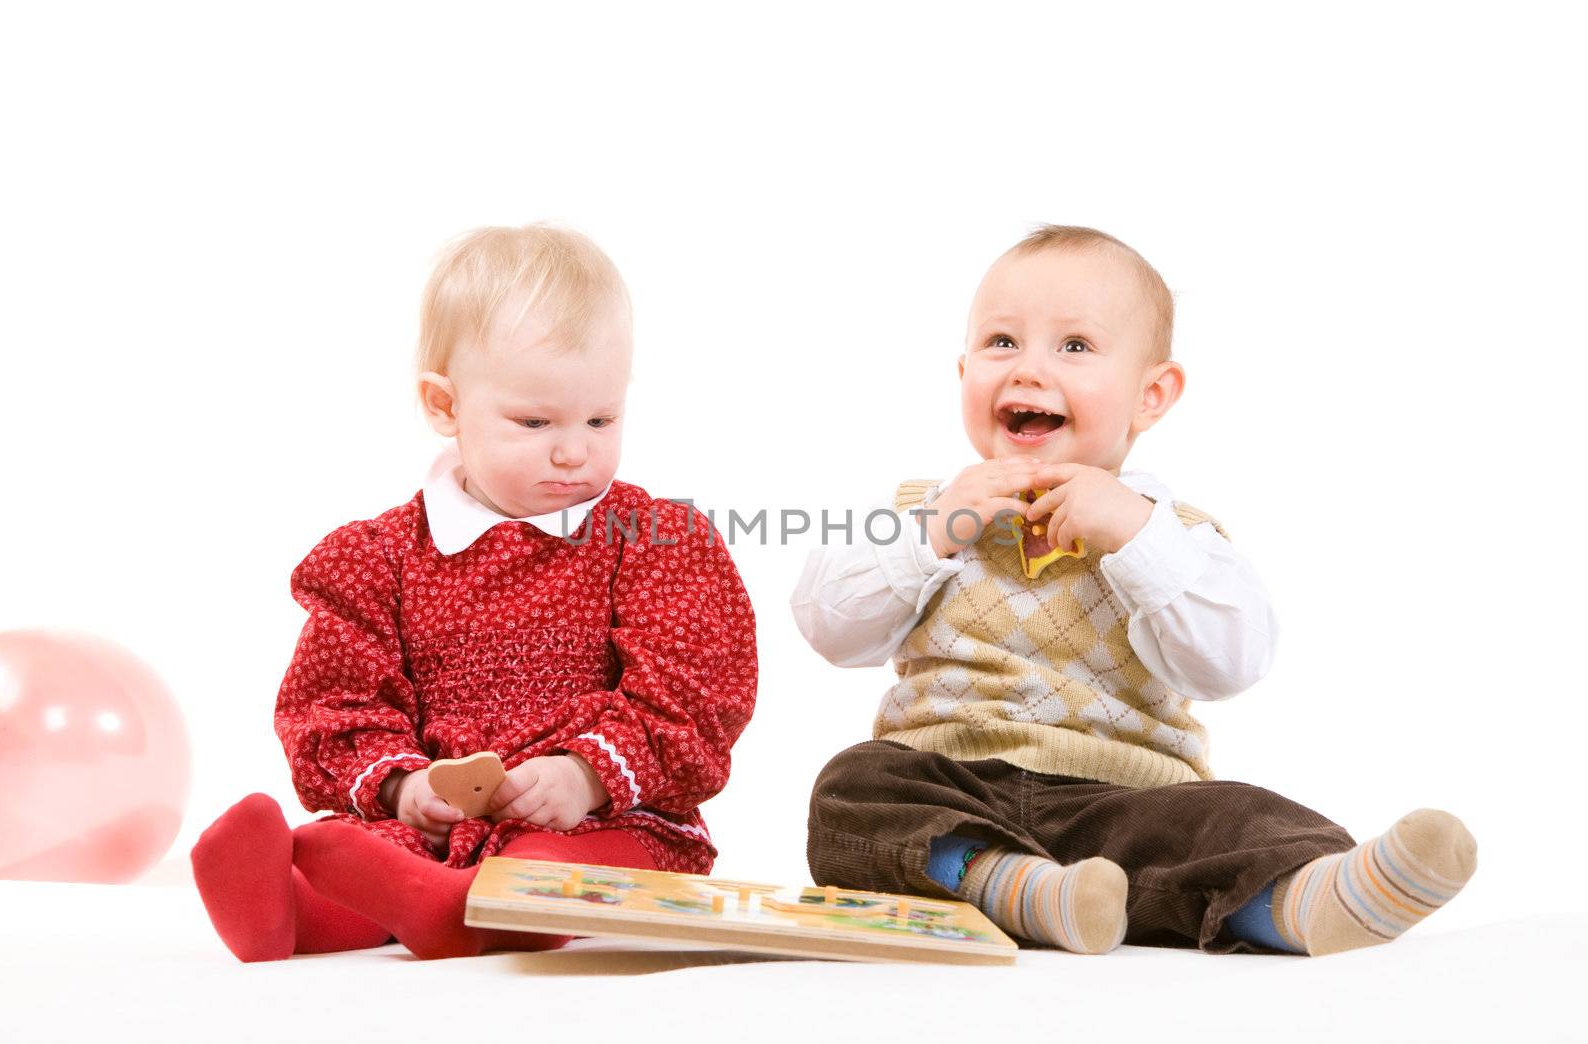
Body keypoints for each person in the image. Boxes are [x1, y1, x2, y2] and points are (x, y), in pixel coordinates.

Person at [792, 225, 1475, 956]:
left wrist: (1135, 537)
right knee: (854, 790)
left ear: (1151, 395)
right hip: (951, 783)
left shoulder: (1174, 537)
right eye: (1000, 343)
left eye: (1074, 347)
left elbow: (1232, 663)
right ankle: (1016, 886)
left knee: (1234, 818)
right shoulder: (931, 511)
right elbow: (829, 626)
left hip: (1123, 801)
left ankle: (1306, 901)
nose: (1027, 371)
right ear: (962, 373)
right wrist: (935, 530)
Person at [192, 224, 758, 961]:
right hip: (437, 826)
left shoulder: (652, 541)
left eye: (601, 418)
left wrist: (585, 775)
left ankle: (481, 906)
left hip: (607, 820)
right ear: (443, 405)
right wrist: (405, 790)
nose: (574, 448)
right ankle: (287, 911)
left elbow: (694, 692)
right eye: (534, 421)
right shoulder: (379, 558)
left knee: (555, 874)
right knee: (363, 857)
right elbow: (334, 701)